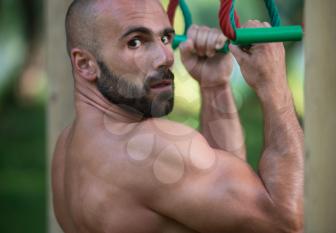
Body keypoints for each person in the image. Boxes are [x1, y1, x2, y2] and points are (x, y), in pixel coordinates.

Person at [52, 0, 304, 232]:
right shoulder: (152, 151)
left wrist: (214, 86)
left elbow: (228, 208)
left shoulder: (67, 146)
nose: (167, 56)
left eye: (164, 37)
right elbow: (284, 220)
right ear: (85, 64)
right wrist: (274, 85)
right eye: (135, 42)